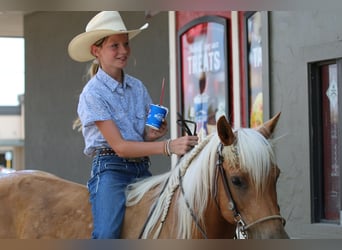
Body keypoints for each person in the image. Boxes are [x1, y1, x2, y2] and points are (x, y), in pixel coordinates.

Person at [67, 11, 198, 239]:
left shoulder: (137, 87)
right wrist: (168, 146)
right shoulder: (93, 93)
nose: (124, 51)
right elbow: (120, 147)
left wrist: (151, 134)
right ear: (95, 51)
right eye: (114, 46)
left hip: (141, 168)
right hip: (110, 170)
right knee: (107, 234)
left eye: (126, 44)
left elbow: (138, 138)